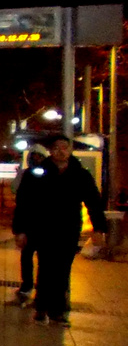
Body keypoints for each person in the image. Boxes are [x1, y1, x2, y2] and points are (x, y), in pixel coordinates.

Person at [12, 135, 107, 325]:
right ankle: (41, 307)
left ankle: (58, 310)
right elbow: (23, 203)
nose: (61, 151)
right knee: (46, 267)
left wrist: (99, 228)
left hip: (68, 230)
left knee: (63, 270)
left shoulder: (80, 174)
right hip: (43, 229)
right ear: (51, 150)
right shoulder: (37, 173)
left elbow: (94, 202)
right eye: (56, 147)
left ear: (70, 150)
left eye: (65, 147)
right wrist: (20, 230)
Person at [12, 144, 49, 303]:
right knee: (26, 257)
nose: (37, 160)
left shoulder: (50, 175)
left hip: (45, 227)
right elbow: (19, 199)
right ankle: (27, 285)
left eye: (40, 157)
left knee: (44, 260)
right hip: (28, 226)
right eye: (34, 157)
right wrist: (19, 230)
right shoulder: (25, 175)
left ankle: (41, 288)